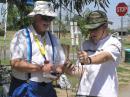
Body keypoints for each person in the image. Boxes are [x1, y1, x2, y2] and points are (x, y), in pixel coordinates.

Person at [9, 1, 65, 97]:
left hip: (47, 89)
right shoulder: (21, 36)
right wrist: (41, 68)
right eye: (44, 17)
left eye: (50, 18)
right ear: (35, 17)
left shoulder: (54, 39)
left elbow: (61, 63)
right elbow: (15, 63)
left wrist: (59, 70)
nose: (48, 21)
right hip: (25, 88)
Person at [64, 10, 121, 97]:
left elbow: (105, 56)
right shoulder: (85, 44)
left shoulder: (113, 42)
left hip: (104, 94)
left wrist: (89, 59)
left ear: (105, 27)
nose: (92, 32)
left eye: (95, 28)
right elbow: (81, 70)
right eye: (90, 29)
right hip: (83, 93)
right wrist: (68, 70)